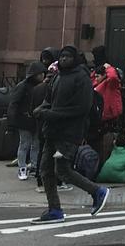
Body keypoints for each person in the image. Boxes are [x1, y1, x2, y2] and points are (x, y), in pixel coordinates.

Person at [33, 45, 110, 222]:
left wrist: (51, 114)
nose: (64, 59)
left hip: (68, 134)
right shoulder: (58, 76)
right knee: (45, 170)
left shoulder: (81, 78)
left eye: (68, 57)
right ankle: (54, 209)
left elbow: (81, 108)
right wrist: (42, 109)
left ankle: (97, 191)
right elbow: (49, 100)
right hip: (52, 132)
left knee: (62, 169)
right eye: (62, 56)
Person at [7, 62, 46, 181]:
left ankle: (33, 166)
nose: (42, 76)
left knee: (35, 144)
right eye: (40, 74)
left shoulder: (39, 86)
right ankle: (22, 167)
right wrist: (12, 121)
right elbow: (14, 104)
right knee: (25, 144)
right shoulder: (23, 86)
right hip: (24, 119)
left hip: (34, 119)